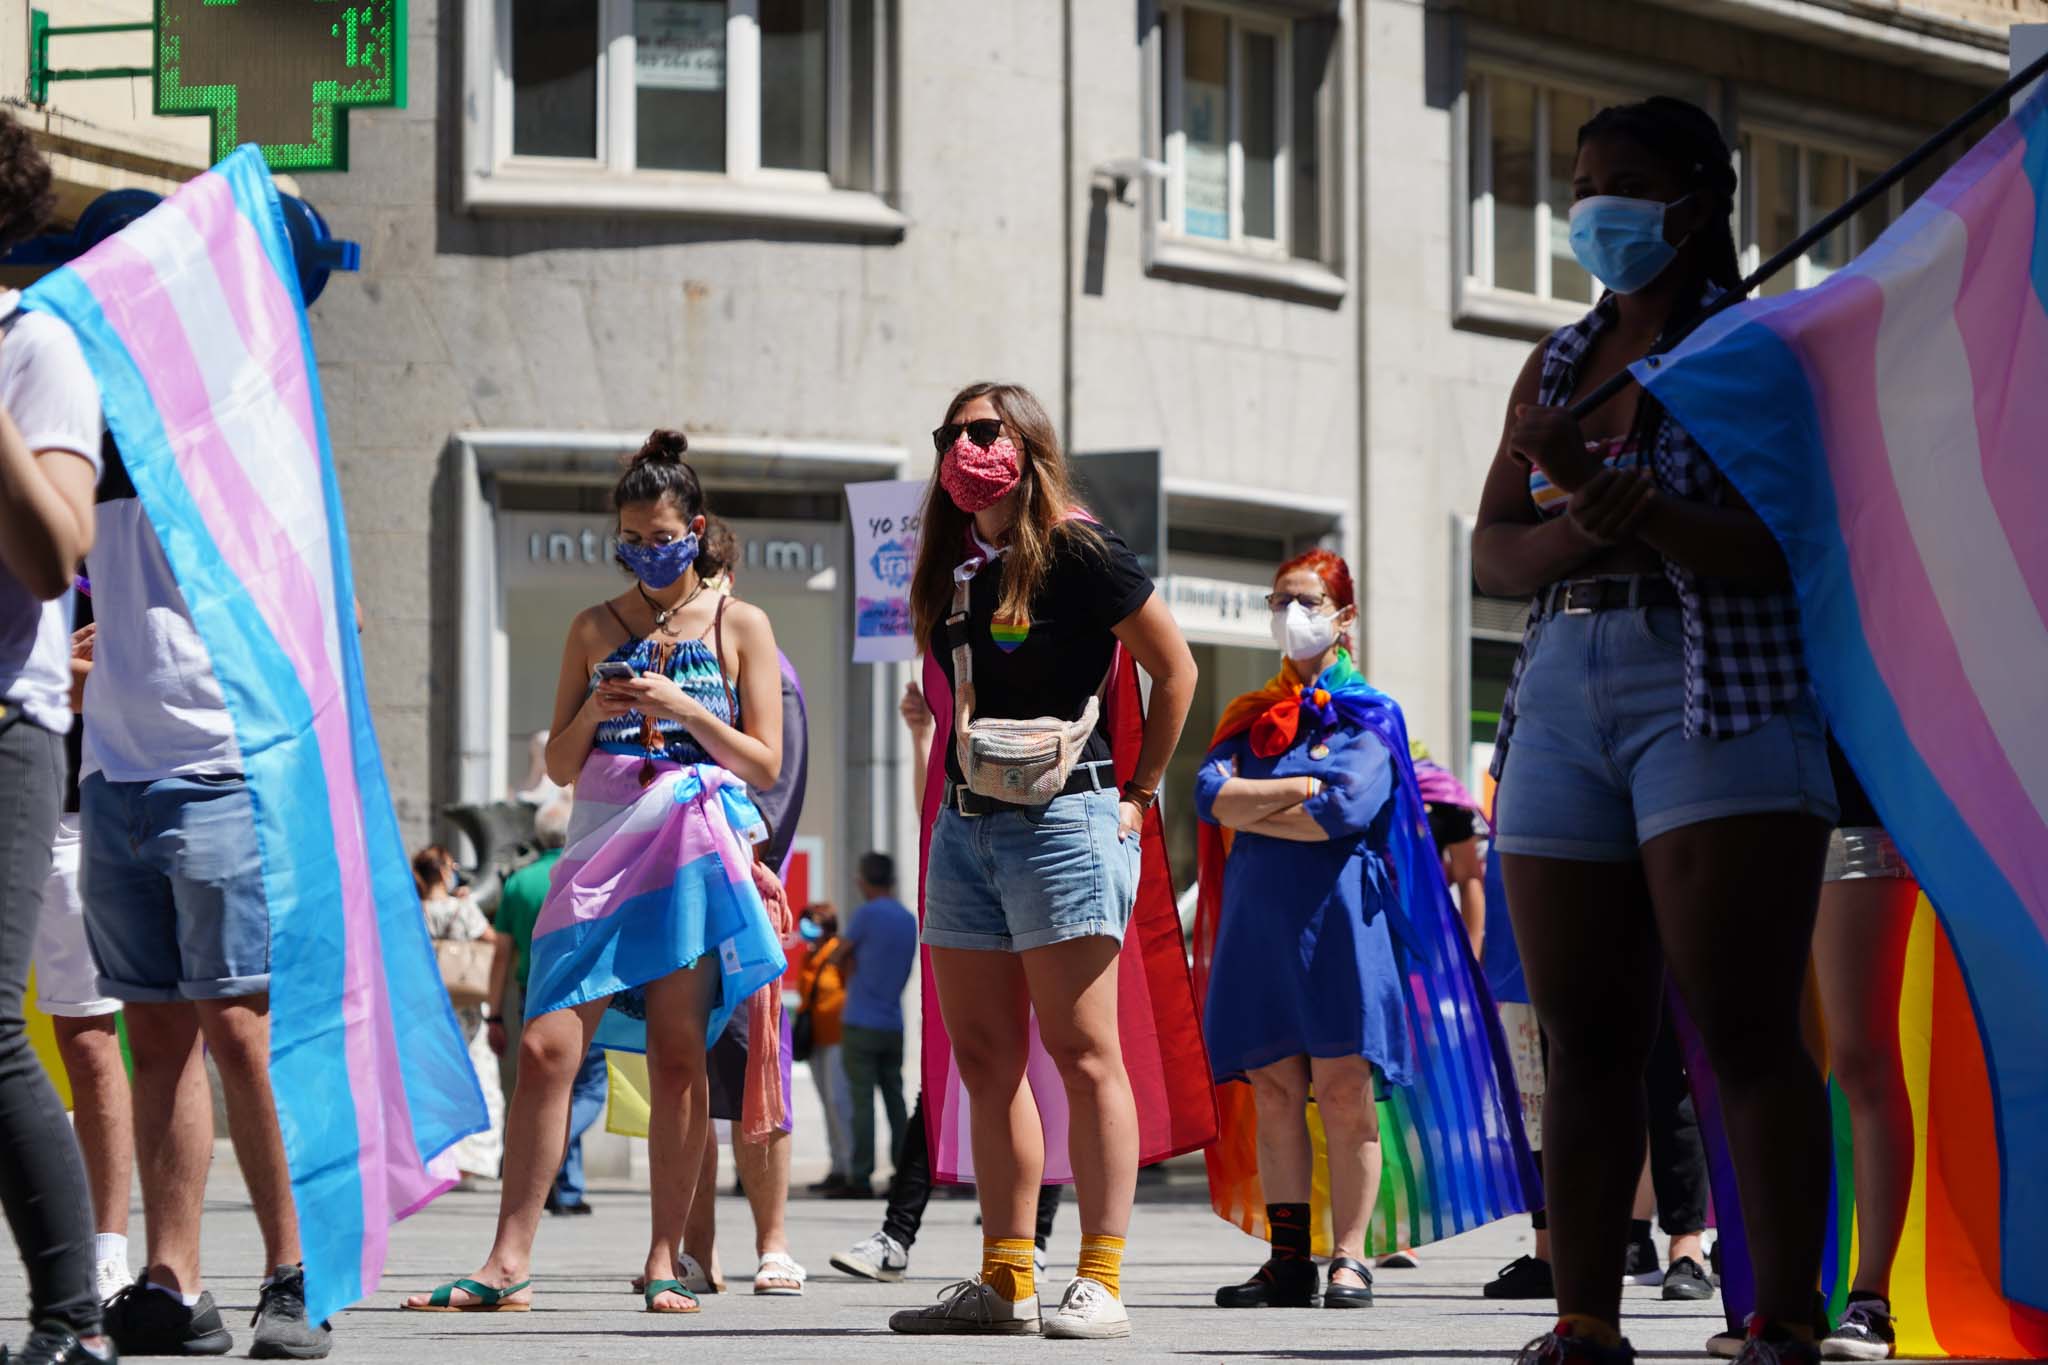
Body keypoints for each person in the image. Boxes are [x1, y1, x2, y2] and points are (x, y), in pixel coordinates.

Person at [1473, 97, 1837, 1365]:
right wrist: (1581, 521)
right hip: (1558, 686)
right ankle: (1583, 1319)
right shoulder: (1557, 363)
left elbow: (1785, 546)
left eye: (1622, 184)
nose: (1594, 209)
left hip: (1716, 683)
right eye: (1582, 185)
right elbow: (1492, 552)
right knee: (1582, 1037)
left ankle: (1779, 1320)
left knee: (1741, 1025)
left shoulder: (1753, 350)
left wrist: (1607, 498)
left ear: (1696, 202)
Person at [405, 429, 787, 1316]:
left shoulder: (741, 624)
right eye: (632, 539)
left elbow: (764, 761)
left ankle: (664, 1257)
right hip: (598, 849)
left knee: (678, 1054)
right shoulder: (592, 625)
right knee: (546, 1047)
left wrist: (683, 705)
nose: (648, 552)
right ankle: (507, 1260)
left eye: (663, 537)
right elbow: (562, 764)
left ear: (695, 530)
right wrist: (597, 707)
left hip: (688, 850)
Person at [888, 381, 1196, 1340]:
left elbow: (1176, 669)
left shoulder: (1080, 549)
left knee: (1085, 1053)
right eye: (951, 433)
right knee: (985, 1060)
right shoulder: (948, 561)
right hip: (965, 828)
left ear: (1027, 442)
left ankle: (1100, 1279)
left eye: (984, 430)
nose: (964, 447)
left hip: (1067, 820)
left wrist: (1140, 796)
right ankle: (1007, 1279)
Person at [78, 424, 332, 1358]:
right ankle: (173, 1280)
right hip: (112, 770)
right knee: (154, 1034)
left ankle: (294, 1276)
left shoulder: (227, 419)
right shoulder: (80, 417)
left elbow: (314, 602)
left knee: (238, 1030)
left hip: (220, 766)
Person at [1193, 550, 1400, 1311]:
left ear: (1344, 616)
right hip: (1261, 926)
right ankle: (1287, 1260)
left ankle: (1351, 1255)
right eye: (1279, 600)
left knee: (1345, 1092)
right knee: (1275, 1092)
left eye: (1307, 600)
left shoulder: (1371, 713)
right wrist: (1299, 787)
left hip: (1342, 925)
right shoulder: (1250, 714)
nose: (1290, 614)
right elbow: (1207, 794)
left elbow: (1345, 811)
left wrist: (1255, 804)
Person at [0, 109, 117, 1365]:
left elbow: (51, 558)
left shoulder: (35, 350)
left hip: (7, 729)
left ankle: (72, 1317)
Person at [832, 683, 1060, 1285]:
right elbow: (934, 811)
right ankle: (896, 1236)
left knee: (1050, 1082)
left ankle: (1034, 1240)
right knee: (942, 1084)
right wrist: (921, 736)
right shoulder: (970, 755)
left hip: (1044, 920)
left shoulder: (1059, 739)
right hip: (987, 932)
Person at [34, 587, 136, 1306]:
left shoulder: (119, 558)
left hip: (77, 813)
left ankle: (107, 1253)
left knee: (90, 1039)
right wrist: (50, 668)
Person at [1808, 745, 1918, 1363]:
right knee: (1779, 1067)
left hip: (1856, 806)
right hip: (1751, 805)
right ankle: (1788, 1298)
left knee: (1859, 1057)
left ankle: (1870, 1299)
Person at [484, 796, 601, 1216]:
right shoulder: (589, 874)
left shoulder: (518, 882)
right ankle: (552, 1150)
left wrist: (494, 1014)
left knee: (554, 1085)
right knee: (591, 1087)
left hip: (531, 994)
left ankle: (567, 1189)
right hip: (586, 992)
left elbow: (502, 954)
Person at [414, 845, 506, 1185]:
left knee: (436, 1084)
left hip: (429, 1008)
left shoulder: (414, 911)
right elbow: (494, 941)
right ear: (443, 871)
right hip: (467, 1007)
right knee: (479, 1079)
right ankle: (473, 1161)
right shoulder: (462, 909)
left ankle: (438, 1161)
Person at [834, 853, 915, 1201]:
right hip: (893, 1022)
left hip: (860, 1020)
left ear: (864, 880)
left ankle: (861, 1175)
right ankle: (903, 1172)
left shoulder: (866, 915)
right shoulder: (907, 919)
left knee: (862, 1101)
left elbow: (838, 954)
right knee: (895, 1098)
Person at [794, 904, 854, 1195]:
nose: (807, 927)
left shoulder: (838, 952)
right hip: (816, 1040)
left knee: (839, 1102)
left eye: (814, 922)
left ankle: (850, 1166)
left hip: (838, 1037)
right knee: (828, 1105)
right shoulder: (808, 956)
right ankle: (837, 1167)